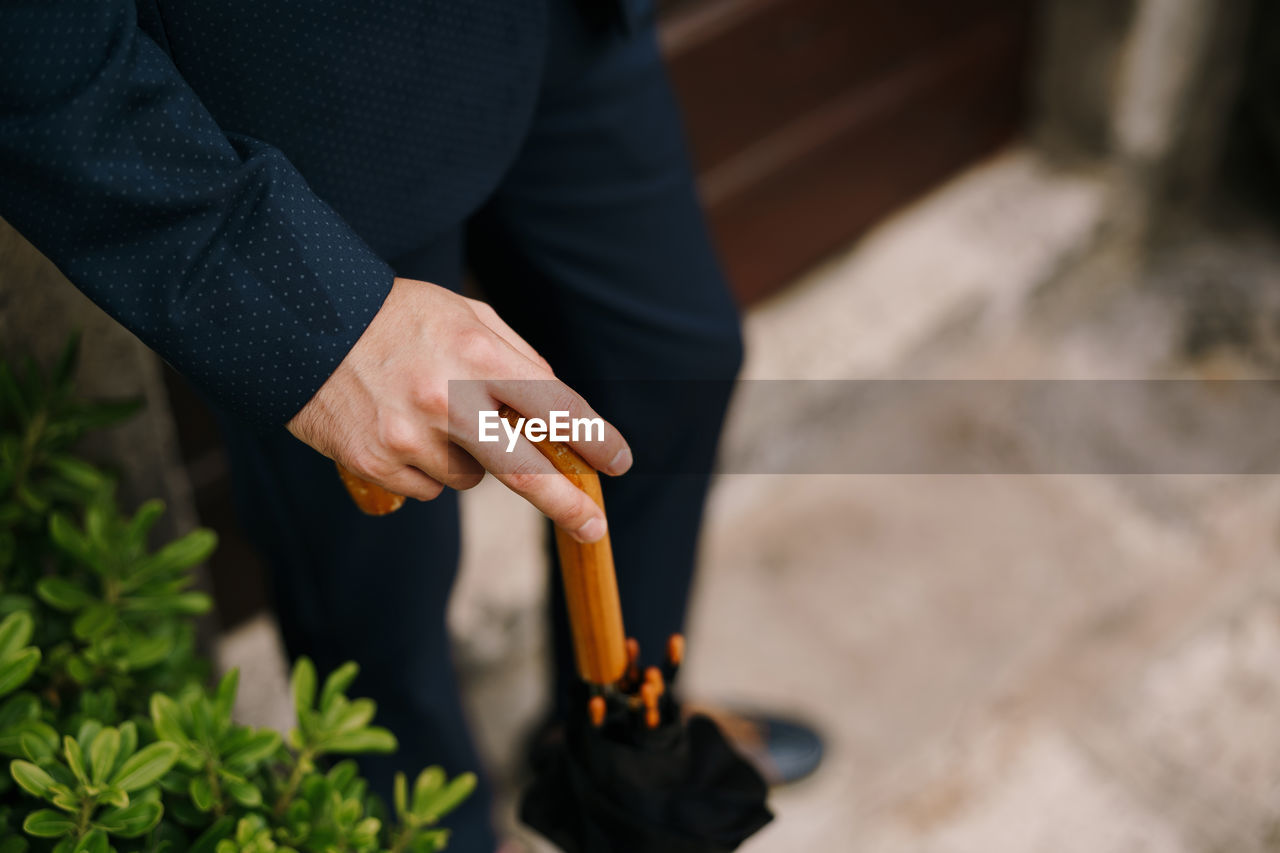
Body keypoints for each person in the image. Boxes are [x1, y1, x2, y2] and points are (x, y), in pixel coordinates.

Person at [0, 1, 822, 849]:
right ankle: (432, 831)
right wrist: (317, 323)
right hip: (298, 109)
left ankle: (619, 750)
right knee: (379, 567)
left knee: (671, 365)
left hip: (558, 30)